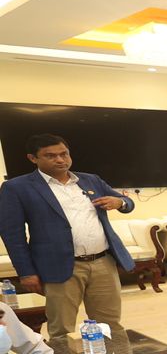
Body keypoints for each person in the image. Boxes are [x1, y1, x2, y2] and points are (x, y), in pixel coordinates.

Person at [0, 133, 137, 342]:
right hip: (58, 267)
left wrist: (121, 203)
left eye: (64, 154)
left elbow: (126, 202)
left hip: (103, 263)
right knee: (61, 330)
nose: (60, 160)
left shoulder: (90, 180)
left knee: (111, 325)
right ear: (33, 158)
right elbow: (12, 234)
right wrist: (26, 272)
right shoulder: (17, 188)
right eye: (51, 156)